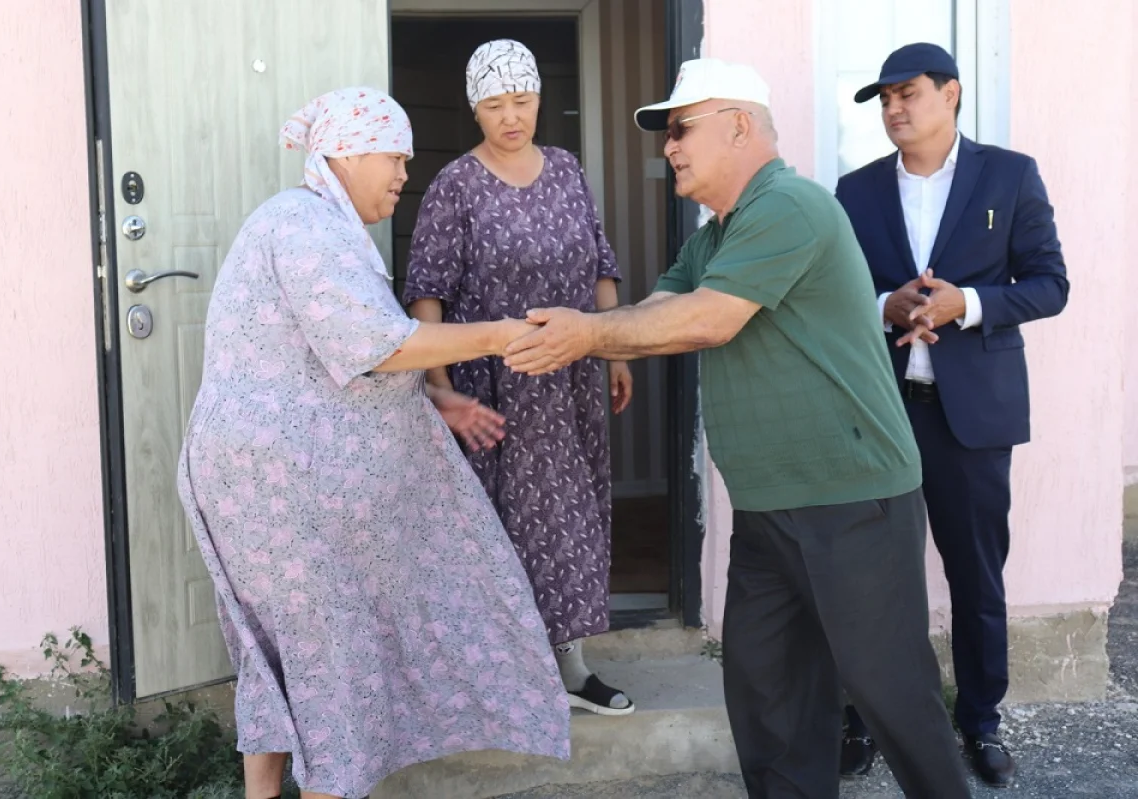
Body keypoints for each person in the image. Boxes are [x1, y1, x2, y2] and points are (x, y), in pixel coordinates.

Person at [502, 57, 971, 799]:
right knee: (770, 700)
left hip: (852, 502)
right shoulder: (714, 235)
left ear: (741, 126)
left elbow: (708, 319)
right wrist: (601, 332)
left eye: (682, 128)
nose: (670, 147)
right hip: (765, 507)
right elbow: (662, 311)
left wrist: (587, 333)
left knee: (892, 695)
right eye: (668, 135)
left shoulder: (790, 205)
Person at [176, 87, 570, 799]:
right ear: (349, 152)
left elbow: (336, 357)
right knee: (327, 652)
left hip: (263, 480)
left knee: (284, 655)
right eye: (394, 156)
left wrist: (433, 396)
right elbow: (374, 343)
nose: (402, 174)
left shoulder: (316, 227)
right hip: (274, 488)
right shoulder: (302, 225)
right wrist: (501, 332)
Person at [834, 42, 1070, 787]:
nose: (895, 109)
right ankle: (865, 715)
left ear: (952, 94)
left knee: (976, 577)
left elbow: (1050, 283)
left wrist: (967, 302)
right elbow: (836, 294)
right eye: (885, 99)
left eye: (908, 93)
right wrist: (886, 305)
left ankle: (980, 722)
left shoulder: (1009, 174)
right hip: (884, 411)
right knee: (872, 580)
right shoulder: (856, 190)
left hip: (972, 418)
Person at [403, 39, 635, 716]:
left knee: (571, 517)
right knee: (496, 529)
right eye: (497, 104)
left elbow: (599, 264)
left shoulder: (566, 170)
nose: (512, 116)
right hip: (493, 389)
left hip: (568, 381)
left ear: (539, 99)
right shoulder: (455, 186)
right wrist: (442, 388)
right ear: (475, 108)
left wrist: (617, 350)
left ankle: (572, 668)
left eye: (524, 101)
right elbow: (427, 296)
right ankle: (502, 677)